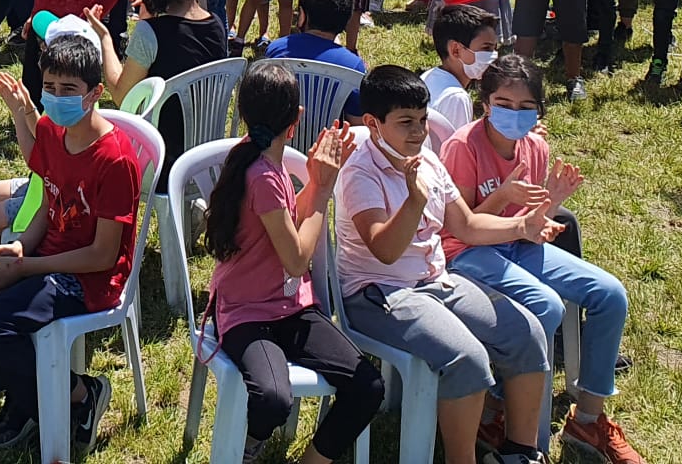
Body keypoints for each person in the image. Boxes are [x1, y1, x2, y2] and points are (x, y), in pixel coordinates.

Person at [0, 29, 141, 456]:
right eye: (50, 87)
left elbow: (102, 255)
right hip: (44, 258)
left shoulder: (115, 159)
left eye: (69, 89)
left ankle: (80, 395)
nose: (56, 97)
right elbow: (47, 203)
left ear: (96, 92)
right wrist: (21, 246)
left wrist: (25, 266)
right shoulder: (53, 132)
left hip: (87, 280)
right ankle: (21, 392)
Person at [334, 65, 555, 464]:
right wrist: (414, 201)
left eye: (422, 120)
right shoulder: (359, 171)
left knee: (528, 334)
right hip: (378, 294)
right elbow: (384, 249)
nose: (419, 132)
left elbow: (466, 226)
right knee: (466, 359)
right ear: (373, 123)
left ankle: (521, 453)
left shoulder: (428, 161)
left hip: (436, 281)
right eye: (405, 123)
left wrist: (521, 225)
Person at [441, 57, 647, 463]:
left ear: (539, 110)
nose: (513, 115)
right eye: (503, 103)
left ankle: (588, 417)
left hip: (517, 245)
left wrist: (548, 211)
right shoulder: (462, 147)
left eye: (525, 108)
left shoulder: (536, 145)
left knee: (610, 294)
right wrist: (504, 199)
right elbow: (461, 227)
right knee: (545, 306)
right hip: (467, 253)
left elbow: (529, 219)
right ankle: (501, 409)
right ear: (485, 103)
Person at [198, 63, 383, 464]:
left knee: (367, 386)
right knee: (273, 400)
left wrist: (315, 184)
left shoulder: (263, 157)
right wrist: (321, 190)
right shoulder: (261, 172)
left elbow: (285, 224)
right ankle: (250, 443)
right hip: (247, 313)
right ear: (296, 120)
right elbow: (298, 259)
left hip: (290, 309)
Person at [90, 0, 229, 177]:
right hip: (206, 156)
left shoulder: (151, 32)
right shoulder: (217, 26)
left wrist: (104, 39)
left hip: (159, 159)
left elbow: (123, 97)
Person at [265, 0, 366, 118]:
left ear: (302, 15)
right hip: (329, 138)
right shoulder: (353, 65)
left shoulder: (276, 49)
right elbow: (357, 122)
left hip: (281, 137)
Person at [423, 3, 499, 135]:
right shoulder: (457, 98)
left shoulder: (428, 76)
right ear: (456, 50)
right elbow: (458, 151)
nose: (493, 55)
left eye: (494, 49)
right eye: (486, 48)